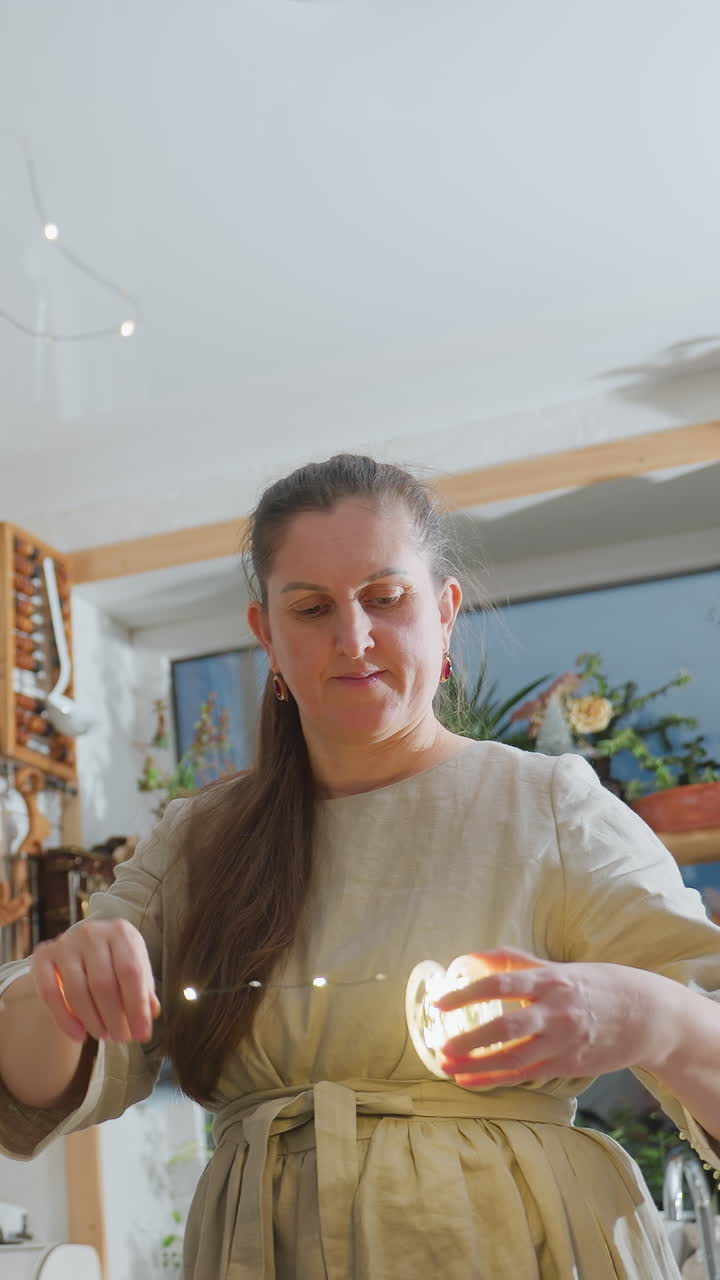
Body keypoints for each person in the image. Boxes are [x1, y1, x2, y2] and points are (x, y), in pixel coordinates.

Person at [1, 453, 720, 1280]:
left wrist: (647, 1016)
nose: (353, 638)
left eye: (385, 598)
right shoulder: (203, 837)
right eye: (311, 609)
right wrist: (59, 993)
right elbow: (30, 1084)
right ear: (266, 634)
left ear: (446, 613)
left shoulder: (547, 804)